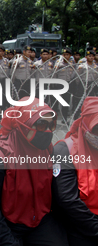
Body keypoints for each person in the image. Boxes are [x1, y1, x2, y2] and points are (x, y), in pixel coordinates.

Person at [0, 97, 68, 246]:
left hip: (40, 221)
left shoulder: (46, 150)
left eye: (51, 125)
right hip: (7, 225)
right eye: (40, 124)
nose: (47, 131)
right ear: (23, 124)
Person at [52, 96, 98, 246]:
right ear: (85, 125)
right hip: (81, 227)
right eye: (97, 129)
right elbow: (67, 199)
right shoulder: (66, 150)